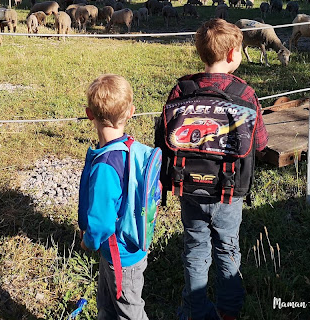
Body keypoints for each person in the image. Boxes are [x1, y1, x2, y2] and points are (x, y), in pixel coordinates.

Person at [156, 18, 269, 320]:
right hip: (229, 192)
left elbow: (163, 139)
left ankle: (194, 309)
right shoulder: (244, 94)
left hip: (187, 185)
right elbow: (259, 143)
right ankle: (229, 311)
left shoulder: (182, 90)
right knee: (228, 248)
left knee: (195, 247)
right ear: (233, 54)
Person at [78, 74, 150, 320]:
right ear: (131, 112)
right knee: (108, 306)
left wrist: (89, 241)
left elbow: (101, 221)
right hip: (130, 245)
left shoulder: (105, 166)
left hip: (119, 255)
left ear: (90, 114)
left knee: (130, 312)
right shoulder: (131, 147)